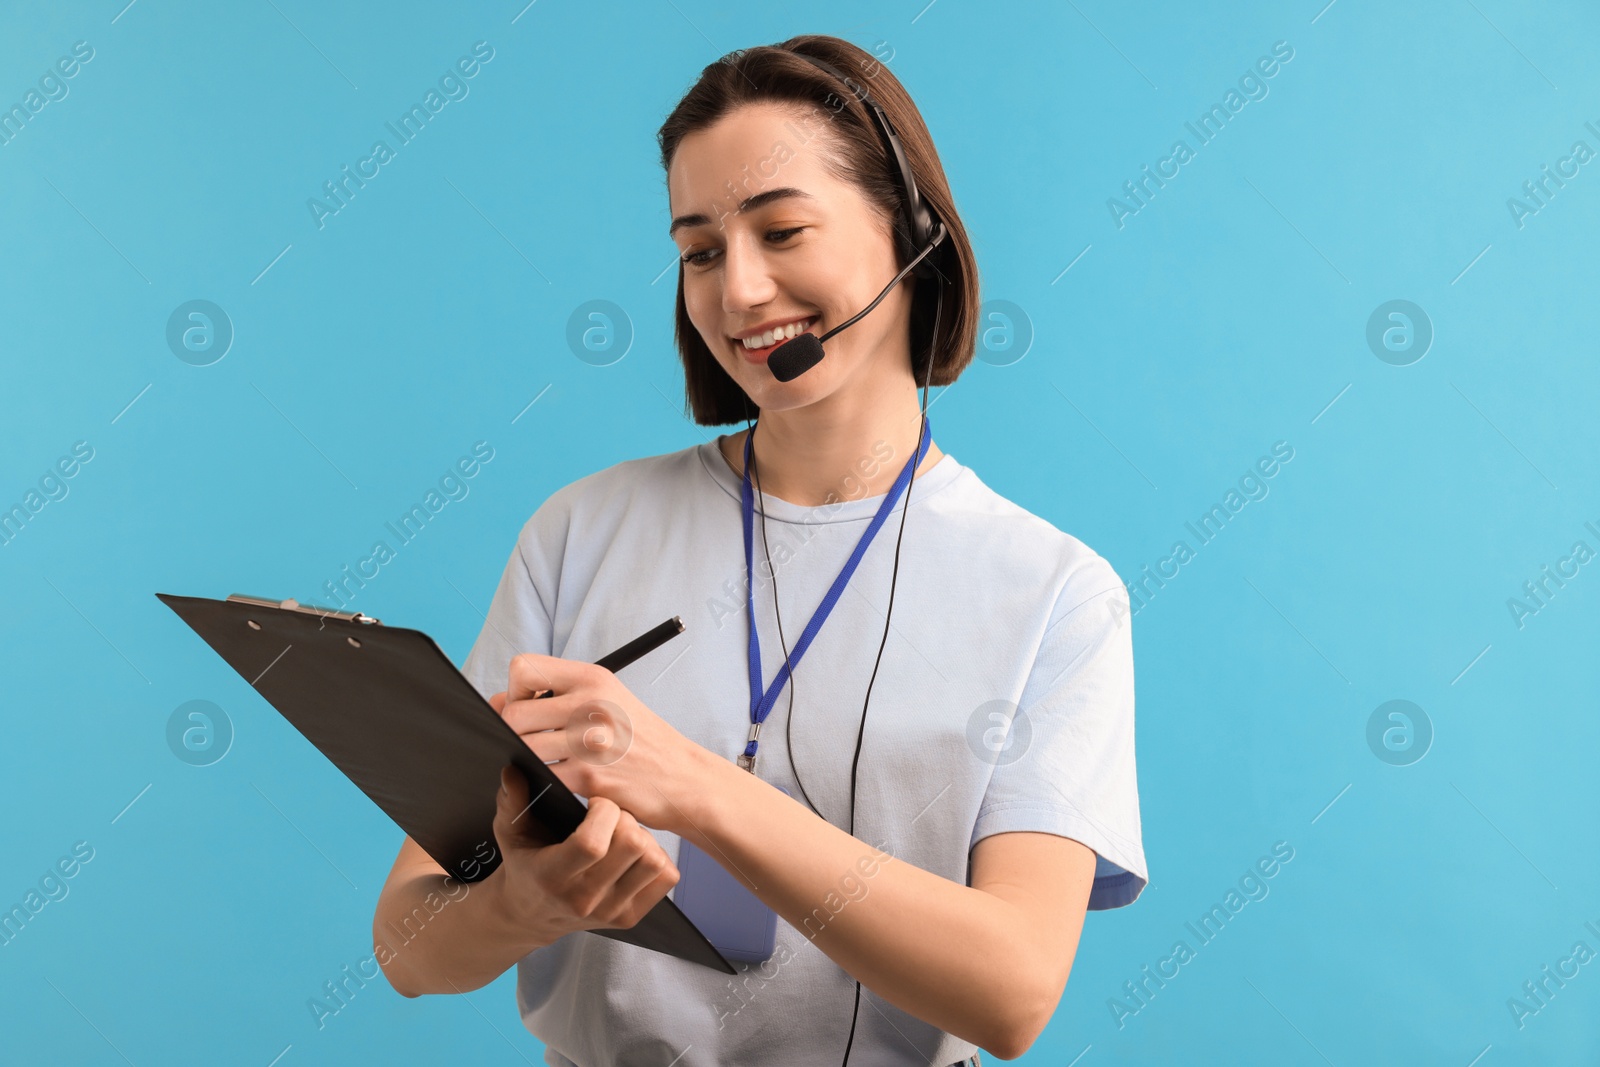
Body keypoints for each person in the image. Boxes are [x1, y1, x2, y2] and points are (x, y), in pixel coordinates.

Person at [373, 34, 1147, 1067]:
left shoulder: (1054, 593)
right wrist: (522, 899)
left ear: (910, 235)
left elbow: (1011, 991)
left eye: (781, 230)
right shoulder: (580, 531)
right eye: (699, 249)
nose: (738, 292)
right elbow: (408, 944)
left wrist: (699, 789)